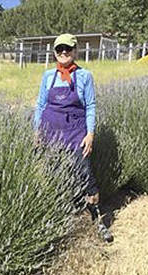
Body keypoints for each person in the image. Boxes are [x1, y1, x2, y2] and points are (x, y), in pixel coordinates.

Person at [33, 33, 113, 242]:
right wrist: (37, 130)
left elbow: (91, 106)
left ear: (75, 51)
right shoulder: (48, 76)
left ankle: (98, 221)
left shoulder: (85, 76)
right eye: (59, 49)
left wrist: (90, 133)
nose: (64, 53)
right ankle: (64, 218)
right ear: (54, 53)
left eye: (67, 49)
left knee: (86, 177)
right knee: (56, 175)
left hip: (76, 134)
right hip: (50, 134)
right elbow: (41, 105)